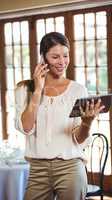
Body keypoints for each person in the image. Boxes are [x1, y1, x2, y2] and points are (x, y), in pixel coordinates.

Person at [15, 31, 104, 200]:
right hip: (37, 168)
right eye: (55, 57)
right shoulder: (24, 89)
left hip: (70, 167)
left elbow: (79, 139)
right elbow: (26, 128)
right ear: (43, 58)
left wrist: (87, 123)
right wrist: (38, 90)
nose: (62, 62)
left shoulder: (78, 90)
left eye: (65, 55)